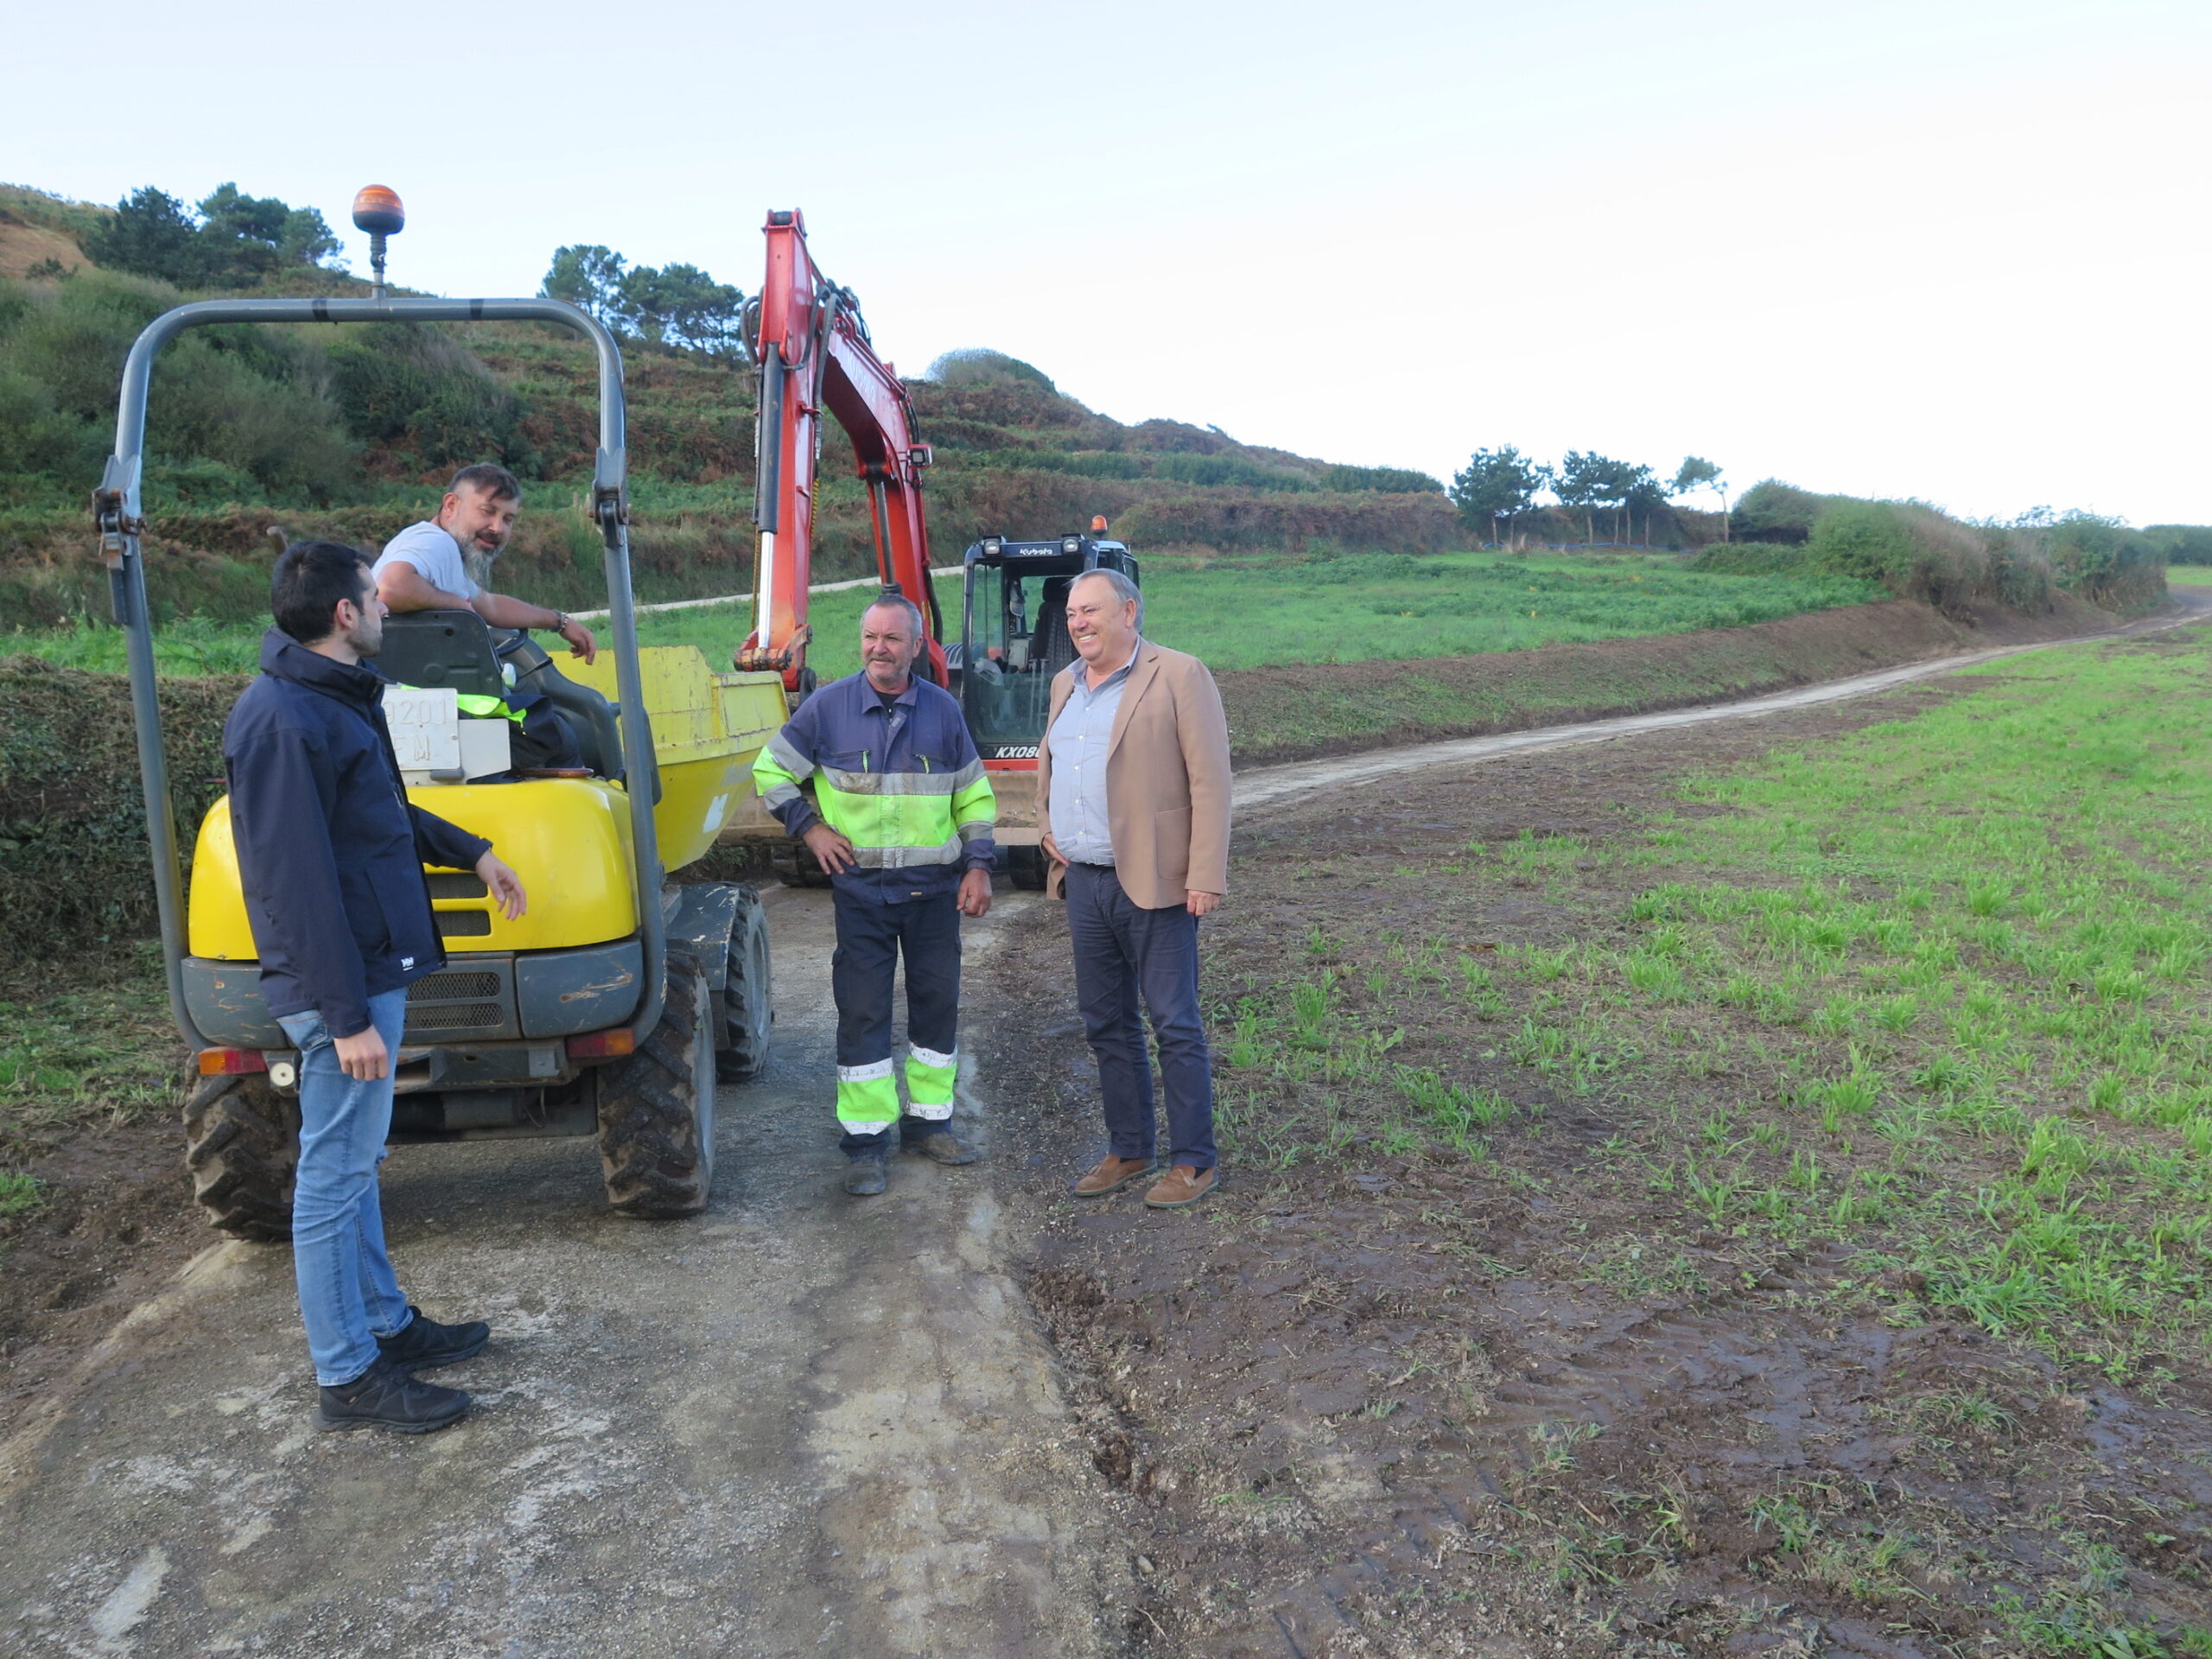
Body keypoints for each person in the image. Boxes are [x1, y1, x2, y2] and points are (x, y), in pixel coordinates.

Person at [224, 541, 529, 1433]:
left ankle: (386, 1325)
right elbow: (294, 883)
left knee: (356, 1168)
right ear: (345, 615)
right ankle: (348, 1373)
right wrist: (344, 1013)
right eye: (376, 597)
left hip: (366, 974)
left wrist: (472, 850)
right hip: (343, 986)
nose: (390, 609)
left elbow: (375, 819)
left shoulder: (330, 701)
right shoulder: (282, 719)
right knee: (333, 1177)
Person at [752, 595, 998, 1196]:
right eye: (870, 637)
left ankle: (929, 1126)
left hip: (934, 894)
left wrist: (980, 866)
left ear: (917, 648)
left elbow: (974, 799)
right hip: (862, 895)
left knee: (935, 1007)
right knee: (863, 1013)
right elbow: (769, 771)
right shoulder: (827, 708)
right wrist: (810, 829)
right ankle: (865, 1144)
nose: (879, 648)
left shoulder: (943, 712)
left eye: (892, 638)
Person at [1039, 568, 1231, 1209]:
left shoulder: (1178, 674)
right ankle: (1129, 1149)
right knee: (1105, 1024)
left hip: (1159, 880)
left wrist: (1204, 873)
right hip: (1086, 882)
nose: (1078, 623)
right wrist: (1047, 829)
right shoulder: (1066, 683)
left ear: (1129, 613)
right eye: (1071, 614)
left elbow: (1210, 782)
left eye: (1090, 611)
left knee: (1175, 1023)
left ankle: (1194, 1163)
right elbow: (1054, 766)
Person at [373, 463, 592, 770]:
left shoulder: (447, 553)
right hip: (427, 711)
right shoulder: (432, 543)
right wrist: (456, 606)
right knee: (558, 735)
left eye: (508, 519)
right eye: (487, 512)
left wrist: (559, 622)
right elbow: (392, 588)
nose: (497, 528)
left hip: (429, 705)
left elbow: (488, 604)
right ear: (451, 505)